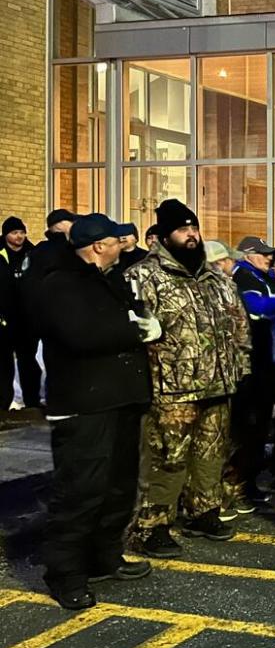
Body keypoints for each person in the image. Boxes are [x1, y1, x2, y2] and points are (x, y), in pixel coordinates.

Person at [38, 213, 160, 610]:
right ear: (97, 246)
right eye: (115, 241)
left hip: (121, 399)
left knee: (119, 485)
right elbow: (80, 335)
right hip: (85, 405)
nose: (123, 246)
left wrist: (138, 319)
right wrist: (135, 330)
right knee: (81, 490)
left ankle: (105, 556)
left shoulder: (110, 279)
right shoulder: (62, 284)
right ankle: (66, 573)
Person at [128, 199, 252, 558]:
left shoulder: (215, 278)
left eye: (194, 228)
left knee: (211, 452)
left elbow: (238, 323)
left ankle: (203, 512)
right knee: (168, 457)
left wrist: (239, 368)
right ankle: (152, 526)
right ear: (165, 236)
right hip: (171, 388)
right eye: (183, 230)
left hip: (218, 382)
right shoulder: (142, 276)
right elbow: (133, 331)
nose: (191, 236)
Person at [223, 235, 275, 516]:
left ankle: (247, 484)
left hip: (267, 364)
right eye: (262, 253)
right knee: (246, 428)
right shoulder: (245, 279)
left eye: (269, 253)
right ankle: (233, 487)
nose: (268, 257)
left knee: (259, 428)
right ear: (247, 255)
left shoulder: (264, 278)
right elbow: (254, 308)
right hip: (251, 366)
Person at [2, 215, 41, 409]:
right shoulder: (0, 254)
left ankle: (32, 402)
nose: (19, 236)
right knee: (4, 364)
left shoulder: (32, 254)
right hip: (3, 320)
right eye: (14, 232)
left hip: (27, 319)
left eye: (22, 232)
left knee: (28, 362)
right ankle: (3, 404)